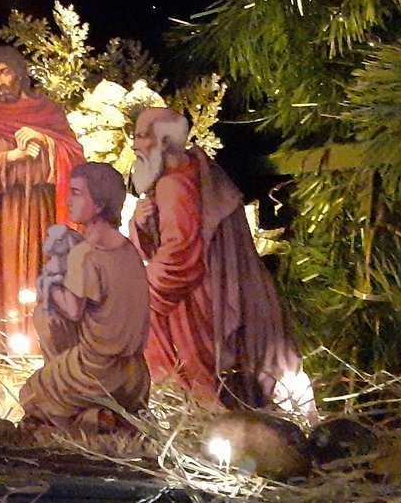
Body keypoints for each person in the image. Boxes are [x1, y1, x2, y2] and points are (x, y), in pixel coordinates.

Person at [130, 107, 308, 413]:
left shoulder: (173, 186)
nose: (134, 145)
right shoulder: (202, 170)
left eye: (141, 136)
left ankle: (197, 416)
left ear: (164, 143)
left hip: (200, 299)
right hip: (227, 286)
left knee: (182, 368)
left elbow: (180, 255)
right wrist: (141, 224)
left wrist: (140, 292)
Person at [0, 46, 84, 341]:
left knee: (46, 272)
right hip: (4, 213)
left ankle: (47, 344)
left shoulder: (47, 111)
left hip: (45, 208)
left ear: (20, 73)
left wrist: (45, 141)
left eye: (5, 72)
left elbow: (75, 156)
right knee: (8, 277)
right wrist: (11, 157)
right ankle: (10, 344)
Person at [19, 162, 150, 429]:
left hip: (98, 370)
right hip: (136, 376)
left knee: (29, 396)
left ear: (99, 204)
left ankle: (92, 420)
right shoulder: (129, 250)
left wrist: (48, 284)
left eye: (76, 193)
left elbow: (72, 310)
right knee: (48, 320)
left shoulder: (85, 253)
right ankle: (106, 416)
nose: (67, 200)